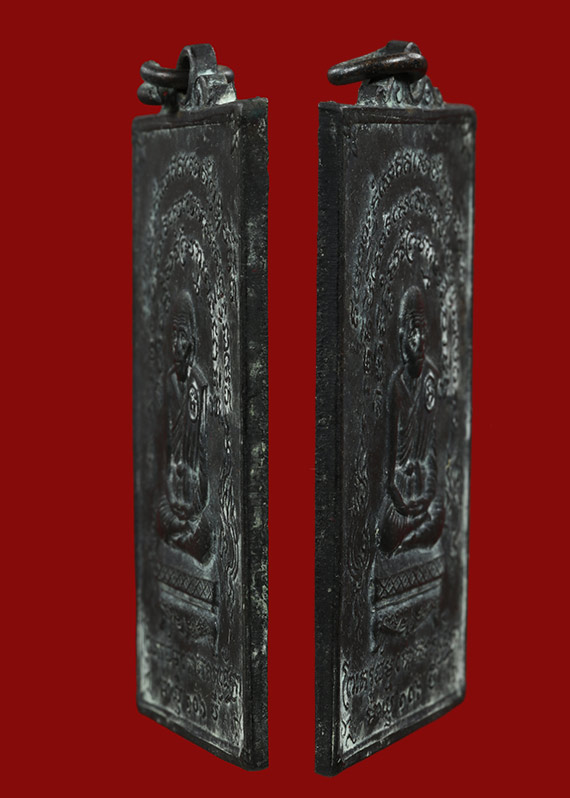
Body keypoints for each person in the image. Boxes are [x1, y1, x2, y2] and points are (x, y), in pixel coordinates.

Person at [378, 286, 445, 555]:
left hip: (422, 488)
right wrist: (403, 505)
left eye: (423, 331)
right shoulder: (397, 387)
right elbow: (389, 476)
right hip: (401, 493)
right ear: (402, 337)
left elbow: (431, 455)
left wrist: (427, 496)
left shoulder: (430, 378)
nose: (419, 341)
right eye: (412, 332)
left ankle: (411, 539)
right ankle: (411, 534)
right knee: (386, 534)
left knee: (440, 517)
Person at [157, 290, 210, 561]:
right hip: (172, 489)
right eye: (173, 336)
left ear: (192, 341)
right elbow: (166, 445)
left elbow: (201, 454)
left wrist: (191, 491)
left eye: (183, 336)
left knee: (204, 532)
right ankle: (182, 535)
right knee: (154, 513)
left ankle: (188, 534)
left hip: (192, 493)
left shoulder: (198, 386)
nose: (177, 344)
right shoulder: (169, 382)